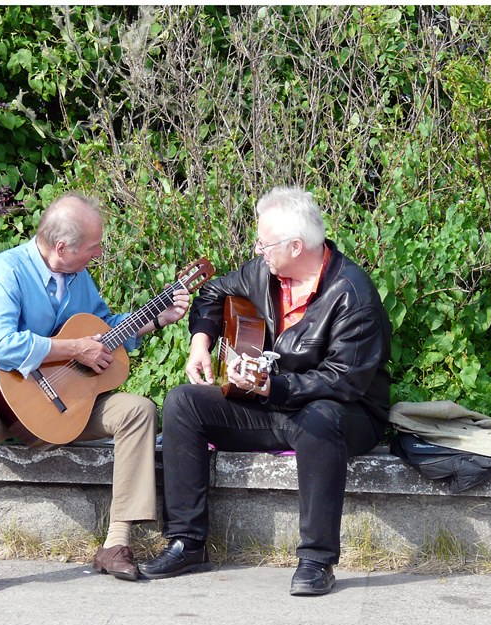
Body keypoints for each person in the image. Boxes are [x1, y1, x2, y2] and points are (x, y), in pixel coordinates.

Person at [138, 186, 392, 596]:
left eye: (264, 243)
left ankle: (317, 559)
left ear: (296, 246)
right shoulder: (264, 273)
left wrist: (273, 385)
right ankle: (186, 541)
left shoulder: (353, 295)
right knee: (183, 403)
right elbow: (212, 292)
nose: (258, 250)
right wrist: (201, 342)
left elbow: (343, 381)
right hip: (272, 404)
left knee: (320, 417)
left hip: (346, 415)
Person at [0, 192, 190, 594]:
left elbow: (106, 327)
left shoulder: (79, 278)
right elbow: (3, 346)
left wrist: (156, 318)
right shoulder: (5, 270)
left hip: (61, 407)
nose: (97, 254)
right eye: (93, 248)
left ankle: (116, 543)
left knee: (140, 411)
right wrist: (75, 348)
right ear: (62, 248)